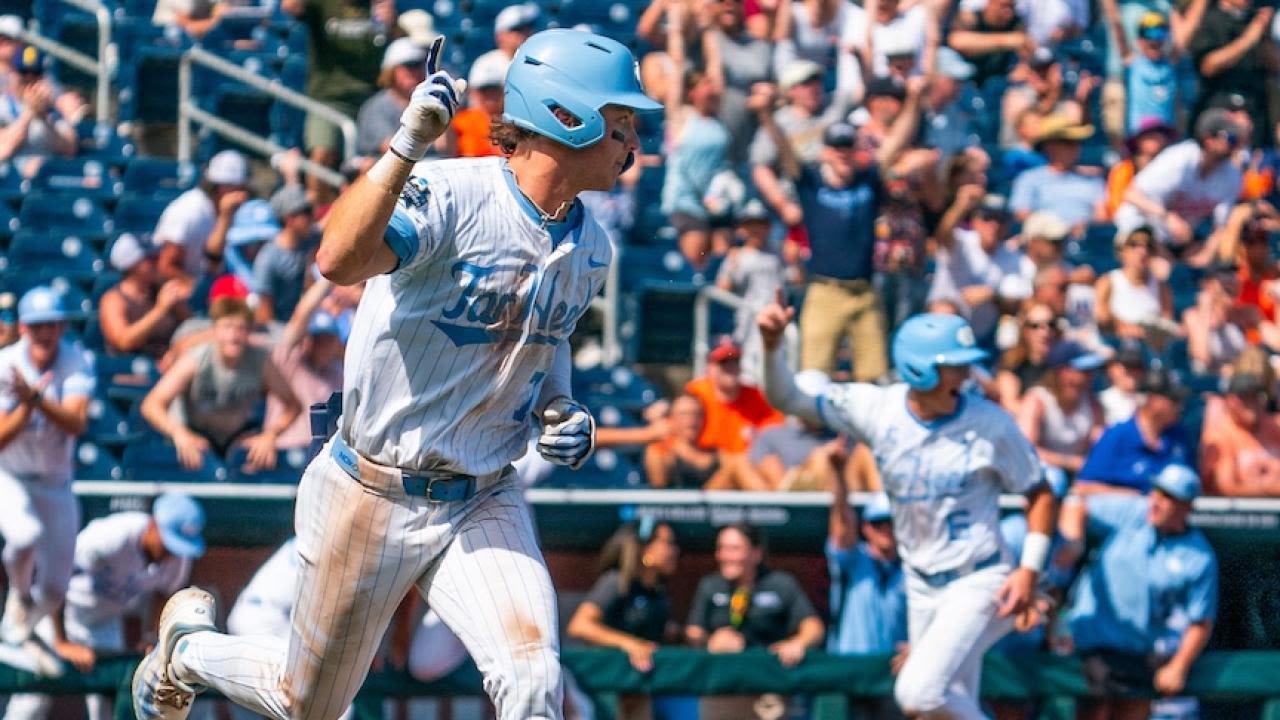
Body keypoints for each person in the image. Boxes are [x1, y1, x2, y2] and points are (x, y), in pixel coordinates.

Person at [132, 30, 661, 720]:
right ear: (567, 116)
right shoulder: (448, 192)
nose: (633, 142)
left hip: (483, 495)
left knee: (535, 682)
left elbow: (545, 339)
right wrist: (405, 144)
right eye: (621, 123)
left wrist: (561, 408)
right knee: (307, 704)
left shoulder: (592, 244)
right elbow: (338, 261)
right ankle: (188, 653)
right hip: (371, 487)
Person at [756, 305, 1058, 719]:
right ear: (921, 370)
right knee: (938, 708)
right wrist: (772, 345)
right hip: (920, 583)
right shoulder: (877, 409)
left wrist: (1030, 569)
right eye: (954, 366)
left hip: (979, 575)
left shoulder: (991, 423)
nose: (967, 376)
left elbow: (1039, 492)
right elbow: (786, 397)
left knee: (917, 694)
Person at [3, 493, 204, 720]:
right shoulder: (110, 536)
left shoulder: (178, 557)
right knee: (32, 700)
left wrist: (151, 635)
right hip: (59, 616)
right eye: (168, 542)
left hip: (105, 624)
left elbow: (164, 593)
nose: (171, 552)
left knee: (107, 706)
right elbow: (56, 581)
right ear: (153, 524)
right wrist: (62, 642)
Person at [1056, 464, 1218, 720]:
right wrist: (1074, 542)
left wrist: (1179, 666)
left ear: (1186, 508)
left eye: (1169, 498)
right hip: (1091, 642)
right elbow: (1077, 503)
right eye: (1157, 492)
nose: (1157, 502)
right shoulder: (1133, 511)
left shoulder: (1199, 556)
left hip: (1142, 653)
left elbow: (1200, 620)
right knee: (1096, 711)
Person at [0, 287, 93, 677]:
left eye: (51, 324)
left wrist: (37, 401)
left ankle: (17, 632)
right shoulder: (6, 364)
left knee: (56, 589)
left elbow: (76, 422)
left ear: (61, 326)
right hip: (9, 475)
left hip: (56, 480)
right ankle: (19, 600)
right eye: (36, 326)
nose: (44, 333)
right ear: (23, 327)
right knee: (23, 536)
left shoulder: (76, 361)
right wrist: (26, 404)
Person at [139, 297, 302, 469]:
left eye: (240, 328)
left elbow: (293, 405)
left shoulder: (260, 360)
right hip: (196, 434)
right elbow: (151, 405)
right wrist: (179, 434)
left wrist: (270, 435)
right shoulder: (197, 358)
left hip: (237, 438)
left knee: (261, 461)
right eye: (227, 327)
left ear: (249, 332)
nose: (233, 335)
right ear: (214, 330)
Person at [685, 523, 825, 720]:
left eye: (734, 549)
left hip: (769, 689)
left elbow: (813, 627)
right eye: (721, 548)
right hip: (721, 688)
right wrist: (711, 642)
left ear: (756, 553)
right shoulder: (709, 585)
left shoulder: (781, 583)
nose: (725, 555)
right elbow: (693, 631)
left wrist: (798, 643)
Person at [566, 520, 682, 720]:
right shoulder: (616, 582)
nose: (675, 550)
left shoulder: (658, 591)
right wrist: (629, 643)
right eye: (668, 543)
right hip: (603, 689)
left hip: (640, 688)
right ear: (646, 547)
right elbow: (580, 625)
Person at [826, 489, 906, 720]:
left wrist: (919, 646)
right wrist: (839, 476)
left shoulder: (913, 568)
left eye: (892, 522)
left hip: (891, 674)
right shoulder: (854, 560)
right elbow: (842, 524)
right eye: (879, 523)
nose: (886, 529)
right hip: (847, 674)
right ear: (866, 528)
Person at [1116, 109, 1244, 249]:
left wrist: (1206, 256)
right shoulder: (1180, 158)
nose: (1235, 144)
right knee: (1156, 261)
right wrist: (1168, 217)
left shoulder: (1232, 175)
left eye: (1237, 139)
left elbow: (1220, 227)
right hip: (1139, 229)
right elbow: (1131, 195)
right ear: (1208, 140)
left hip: (1178, 241)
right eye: (1230, 138)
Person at [1075, 366, 1193, 495]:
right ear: (1151, 399)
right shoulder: (1117, 435)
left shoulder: (1180, 437)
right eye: (1174, 400)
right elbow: (1083, 487)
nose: (1180, 406)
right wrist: (1130, 497)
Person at [265, 278, 344, 452]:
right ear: (306, 340)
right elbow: (301, 315)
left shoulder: (339, 372)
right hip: (284, 451)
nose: (321, 346)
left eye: (327, 340)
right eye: (317, 339)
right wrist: (329, 279)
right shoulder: (289, 360)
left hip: (323, 455)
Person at [153, 150, 250, 284]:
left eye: (242, 188)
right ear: (217, 186)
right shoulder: (189, 211)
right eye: (234, 188)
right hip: (187, 292)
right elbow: (165, 266)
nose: (241, 195)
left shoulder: (238, 211)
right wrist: (198, 292)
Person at [1188, 0, 1275, 148]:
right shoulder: (1210, 19)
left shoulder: (1255, 20)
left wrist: (1264, 34)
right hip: (1218, 105)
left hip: (1255, 110)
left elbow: (1273, 66)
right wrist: (1247, 40)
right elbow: (1207, 66)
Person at [715, 199, 784, 383]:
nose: (755, 230)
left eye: (759, 224)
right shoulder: (737, 256)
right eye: (750, 225)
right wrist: (731, 265)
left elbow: (797, 282)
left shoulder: (778, 255)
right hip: (747, 324)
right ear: (742, 229)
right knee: (749, 376)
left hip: (778, 321)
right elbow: (722, 291)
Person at [1017, 340, 1106, 476]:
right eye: (1084, 370)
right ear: (1062, 372)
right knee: (1054, 478)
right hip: (1043, 474)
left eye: (1090, 370)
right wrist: (1070, 463)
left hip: (1081, 475)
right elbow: (1026, 450)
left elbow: (1100, 445)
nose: (1090, 375)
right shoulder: (1036, 400)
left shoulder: (1093, 404)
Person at [98, 233, 192, 358]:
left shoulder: (162, 289)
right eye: (151, 259)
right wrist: (160, 309)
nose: (158, 263)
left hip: (170, 364)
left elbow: (190, 323)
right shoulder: (113, 299)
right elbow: (123, 341)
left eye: (157, 257)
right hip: (131, 371)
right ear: (131, 265)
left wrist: (180, 302)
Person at [1008, 114, 1105, 227]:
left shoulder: (1092, 179)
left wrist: (1085, 227)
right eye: (1068, 142)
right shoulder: (1028, 179)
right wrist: (1054, 229)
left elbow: (1101, 215)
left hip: (1085, 241)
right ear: (1050, 146)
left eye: (1078, 142)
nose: (1075, 147)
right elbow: (1021, 214)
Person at [0, 46, 77, 177]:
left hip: (48, 177)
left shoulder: (53, 109)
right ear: (13, 75)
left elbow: (69, 149)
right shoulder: (3, 107)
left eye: (35, 75)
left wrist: (43, 117)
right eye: (24, 74)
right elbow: (4, 149)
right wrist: (29, 114)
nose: (29, 80)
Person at [355, 38, 431, 167]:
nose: (415, 72)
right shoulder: (376, 107)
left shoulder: (430, 104)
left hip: (426, 167)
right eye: (409, 65)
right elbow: (395, 149)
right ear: (391, 70)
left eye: (419, 65)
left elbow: (447, 148)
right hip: (387, 171)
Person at [1200, 372, 1280, 496]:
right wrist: (1268, 488)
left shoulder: (1275, 427)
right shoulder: (1220, 434)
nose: (1252, 403)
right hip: (1237, 513)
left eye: (1256, 396)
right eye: (1245, 397)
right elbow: (1226, 487)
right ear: (1230, 400)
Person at [1095, 225, 1174, 339]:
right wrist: (1124, 327)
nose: (1143, 251)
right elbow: (1102, 317)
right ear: (1121, 250)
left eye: (1149, 246)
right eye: (1134, 244)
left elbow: (1166, 322)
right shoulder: (1108, 281)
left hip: (1149, 349)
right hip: (1116, 347)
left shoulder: (1161, 287)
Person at [253, 185, 316, 325]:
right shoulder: (268, 258)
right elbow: (265, 315)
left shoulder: (310, 239)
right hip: (283, 330)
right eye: (307, 212)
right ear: (289, 219)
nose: (313, 217)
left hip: (310, 321)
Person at [995, 301, 1061, 414]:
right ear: (1024, 331)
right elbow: (1009, 404)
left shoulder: (1064, 364)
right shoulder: (1012, 365)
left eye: (1051, 324)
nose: (1045, 332)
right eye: (1035, 326)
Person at [1098, 341, 1147, 426]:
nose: (1133, 372)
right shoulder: (1100, 401)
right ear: (1111, 370)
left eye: (1137, 367)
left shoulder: (1147, 401)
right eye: (1127, 367)